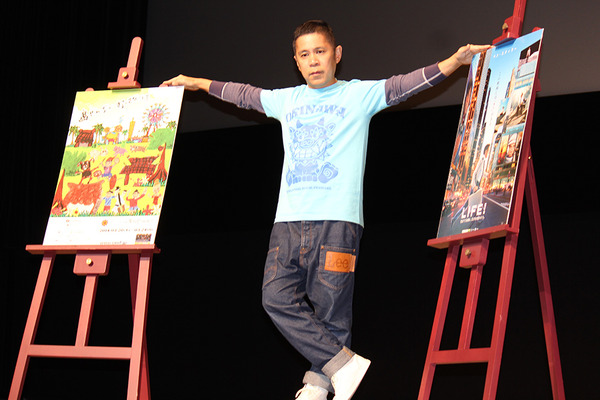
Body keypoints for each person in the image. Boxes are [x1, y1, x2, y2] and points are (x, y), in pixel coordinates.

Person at [163, 20, 490, 400]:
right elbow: (243, 94)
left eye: (320, 52)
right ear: (296, 62)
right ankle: (341, 365)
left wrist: (453, 62)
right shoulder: (287, 100)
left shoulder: (358, 95)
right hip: (287, 224)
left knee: (331, 311)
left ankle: (319, 385)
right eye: (305, 55)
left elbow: (404, 85)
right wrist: (196, 82)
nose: (313, 60)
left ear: (337, 54)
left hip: (338, 222)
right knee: (274, 298)